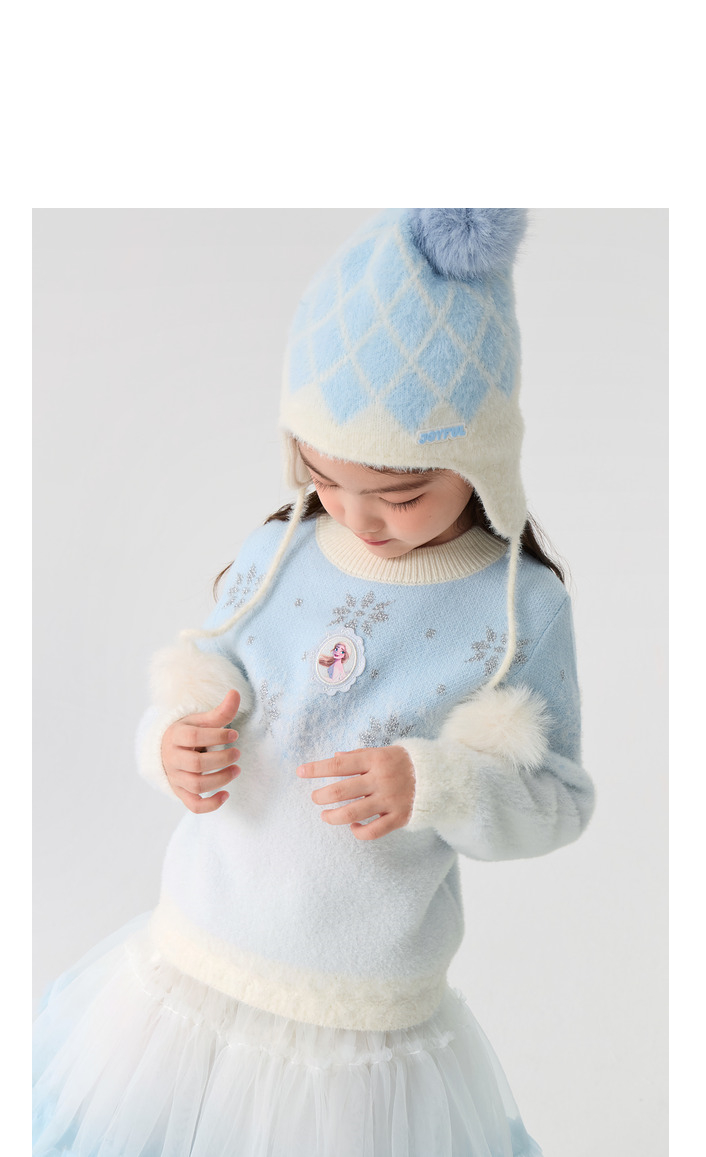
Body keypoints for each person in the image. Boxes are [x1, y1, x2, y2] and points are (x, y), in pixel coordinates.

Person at [33, 207, 596, 1157]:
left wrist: (439, 784)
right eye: (329, 479)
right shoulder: (282, 551)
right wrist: (170, 742)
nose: (359, 517)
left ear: (481, 456)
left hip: (361, 1037)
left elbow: (558, 801)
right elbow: (201, 679)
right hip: (193, 982)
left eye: (402, 495)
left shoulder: (515, 610)